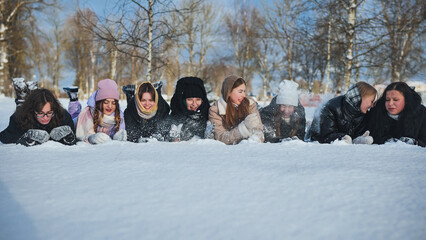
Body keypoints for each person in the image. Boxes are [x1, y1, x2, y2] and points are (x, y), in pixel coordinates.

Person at [306, 81, 377, 144]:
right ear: (360, 97)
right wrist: (343, 137)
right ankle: (309, 128)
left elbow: (357, 134)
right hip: (316, 142)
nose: (372, 105)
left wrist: (359, 139)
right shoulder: (332, 107)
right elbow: (325, 137)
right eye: (371, 101)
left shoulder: (362, 114)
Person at [0, 88, 76, 146]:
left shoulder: (62, 116)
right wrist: (25, 138)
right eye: (40, 113)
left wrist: (68, 137)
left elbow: (75, 142)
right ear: (32, 111)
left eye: (49, 113)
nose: (45, 118)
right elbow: (6, 139)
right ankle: (21, 97)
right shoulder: (20, 118)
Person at [209, 75, 264, 145]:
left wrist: (254, 142)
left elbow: (259, 132)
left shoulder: (250, 104)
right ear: (229, 92)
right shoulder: (216, 110)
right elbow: (220, 138)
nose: (244, 95)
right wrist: (243, 128)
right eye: (240, 92)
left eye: (244, 91)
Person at [367, 82, 425, 147]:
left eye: (395, 100)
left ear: (406, 101)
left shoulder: (421, 114)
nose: (390, 103)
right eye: (387, 99)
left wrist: (415, 143)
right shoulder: (376, 114)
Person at [72, 79, 127, 144]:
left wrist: (117, 139)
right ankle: (73, 98)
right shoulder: (88, 114)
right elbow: (81, 137)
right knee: (73, 115)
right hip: (75, 123)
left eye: (113, 103)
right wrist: (91, 138)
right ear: (99, 103)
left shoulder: (119, 116)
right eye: (106, 102)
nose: (110, 106)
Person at [168, 77, 210, 141]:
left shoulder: (208, 117)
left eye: (198, 100)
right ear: (182, 101)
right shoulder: (173, 120)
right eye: (189, 100)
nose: (194, 104)